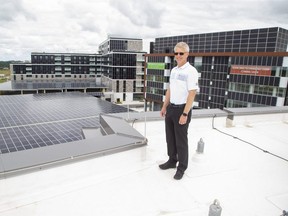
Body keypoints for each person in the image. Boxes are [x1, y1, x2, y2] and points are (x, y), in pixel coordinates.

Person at [159, 42, 199, 180]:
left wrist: (185, 114)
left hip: (182, 109)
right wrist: (165, 106)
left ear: (187, 54)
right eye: (176, 53)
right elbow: (170, 89)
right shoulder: (174, 70)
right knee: (170, 137)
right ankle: (172, 160)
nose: (178, 56)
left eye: (181, 53)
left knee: (181, 140)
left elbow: (192, 94)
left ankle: (181, 167)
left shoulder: (191, 71)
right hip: (171, 108)